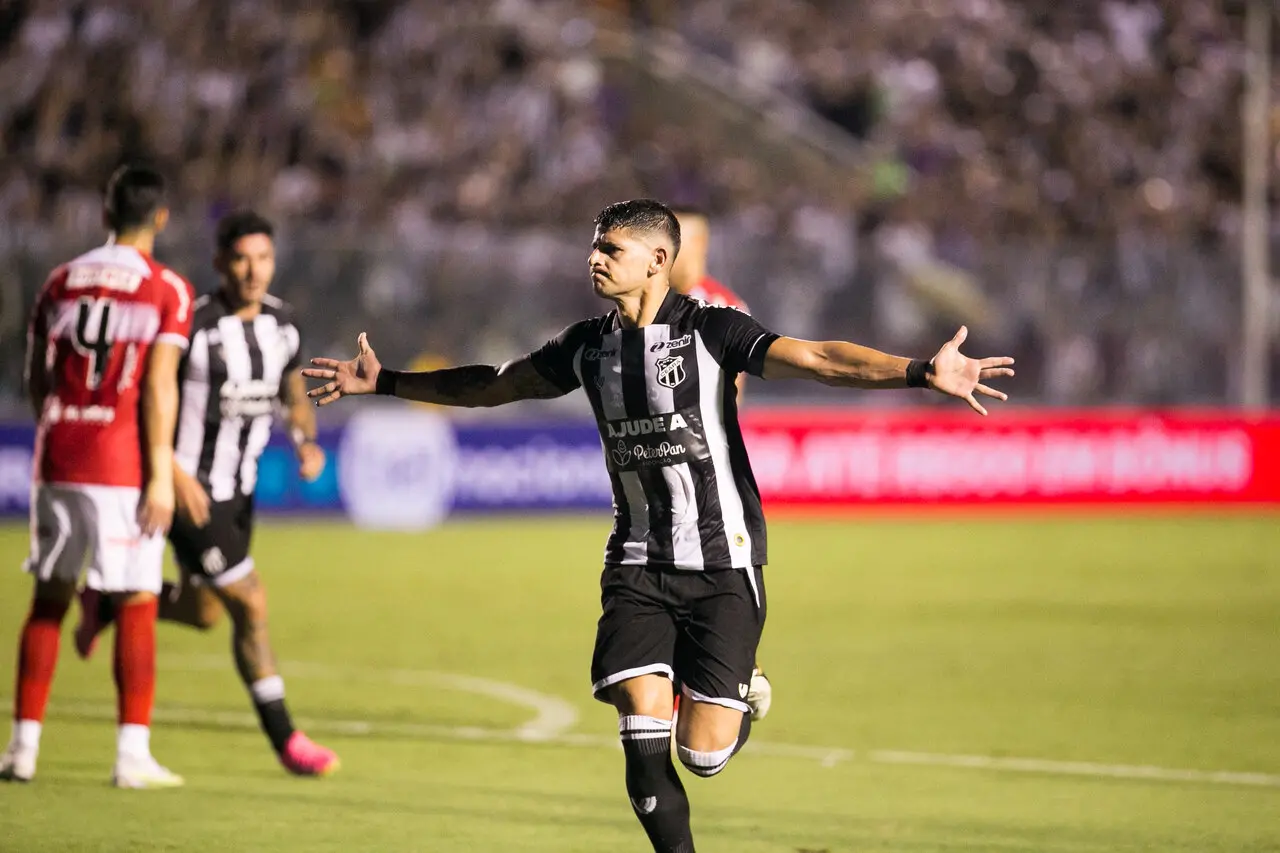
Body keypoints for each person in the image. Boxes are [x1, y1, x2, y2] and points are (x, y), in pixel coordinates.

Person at [303, 199, 1014, 852]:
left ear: (657, 261)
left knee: (702, 755)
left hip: (723, 561)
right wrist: (390, 381)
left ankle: (737, 691)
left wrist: (922, 371)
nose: (595, 259)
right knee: (641, 731)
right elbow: (496, 383)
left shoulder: (712, 330)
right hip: (637, 562)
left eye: (611, 247)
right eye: (593, 246)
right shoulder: (587, 346)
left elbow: (822, 359)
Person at [74, 210, 340, 777]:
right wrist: (172, 471)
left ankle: (107, 600)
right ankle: (286, 740)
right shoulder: (190, 326)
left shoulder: (283, 326)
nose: (253, 270)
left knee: (205, 613)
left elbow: (293, 394)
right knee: (251, 600)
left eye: (263, 258)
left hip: (239, 496)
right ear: (220, 262)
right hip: (188, 491)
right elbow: (146, 402)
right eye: (241, 258)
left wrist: (305, 440)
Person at [1, 165, 194, 788]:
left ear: (105, 214)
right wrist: (160, 474)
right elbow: (160, 386)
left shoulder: (60, 280)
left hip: (58, 454)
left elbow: (36, 375)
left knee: (50, 599)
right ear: (160, 217)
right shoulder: (167, 289)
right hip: (121, 465)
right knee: (136, 599)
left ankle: (21, 749)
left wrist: (62, 424)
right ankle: (131, 756)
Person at [668, 205, 766, 720]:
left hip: (701, 471)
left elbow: (733, 395)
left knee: (700, 573)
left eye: (693, 242)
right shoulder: (647, 301)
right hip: (660, 471)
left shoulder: (721, 306)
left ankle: (727, 681)